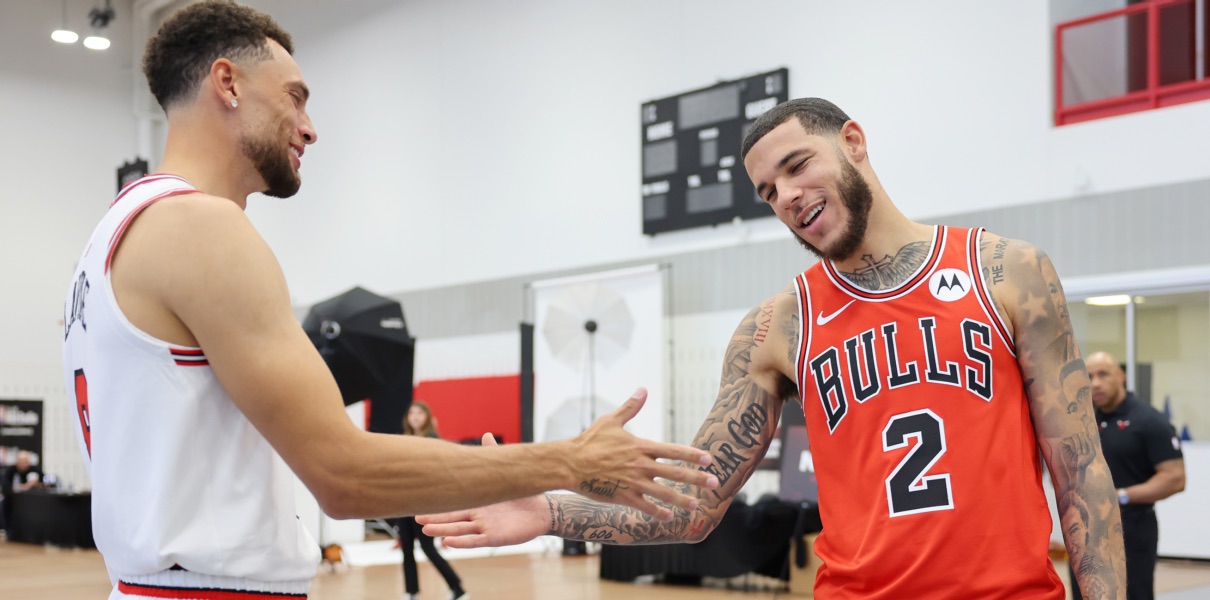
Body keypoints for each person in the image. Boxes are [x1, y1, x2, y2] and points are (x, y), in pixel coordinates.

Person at [59, 2, 715, 598]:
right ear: (227, 84)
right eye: (296, 98)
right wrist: (569, 460)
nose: (310, 129)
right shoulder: (201, 225)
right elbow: (343, 474)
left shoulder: (107, 239)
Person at [420, 98, 1129, 599]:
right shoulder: (777, 329)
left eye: (796, 165)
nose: (786, 195)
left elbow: (1082, 474)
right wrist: (548, 510)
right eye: (767, 190)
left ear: (853, 141)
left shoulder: (1006, 272)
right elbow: (691, 511)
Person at [1073, 352, 1185, 600]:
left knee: (1133, 594)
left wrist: (1119, 497)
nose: (1095, 383)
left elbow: (1175, 477)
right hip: (1087, 531)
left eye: (1103, 374)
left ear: (1122, 376)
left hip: (1132, 529)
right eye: (1089, 376)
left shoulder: (1148, 420)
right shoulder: (1083, 420)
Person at [392, 402, 467, 600]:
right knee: (406, 548)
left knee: (427, 548)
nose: (415, 416)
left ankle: (457, 588)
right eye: (411, 413)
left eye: (419, 413)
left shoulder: (431, 439)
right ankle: (411, 592)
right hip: (403, 502)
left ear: (427, 417)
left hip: (422, 503)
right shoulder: (404, 440)